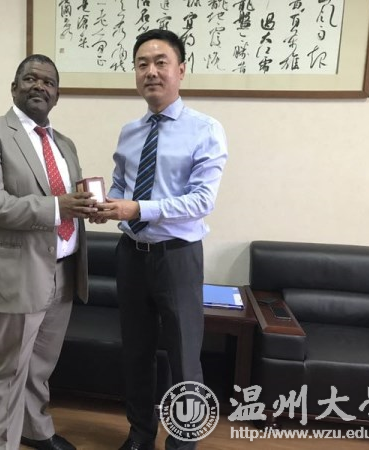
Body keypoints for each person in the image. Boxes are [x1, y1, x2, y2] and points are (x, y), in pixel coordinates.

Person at [93, 30, 228, 450]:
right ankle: (140, 435)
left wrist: (138, 208)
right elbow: (121, 185)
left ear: (181, 70)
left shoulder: (206, 129)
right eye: (142, 64)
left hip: (177, 256)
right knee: (136, 352)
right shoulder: (129, 132)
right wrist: (105, 204)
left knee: (185, 357)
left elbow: (202, 200)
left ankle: (183, 443)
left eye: (160, 62)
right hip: (131, 254)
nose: (150, 71)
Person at [0, 54, 96, 450]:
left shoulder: (64, 144)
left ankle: (36, 430)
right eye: (31, 78)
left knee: (39, 365)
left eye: (49, 82)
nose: (40, 86)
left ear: (57, 95)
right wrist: (57, 207)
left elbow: (70, 202)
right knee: (8, 368)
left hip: (64, 269)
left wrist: (89, 208)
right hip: (16, 272)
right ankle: (1, 444)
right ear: (14, 87)